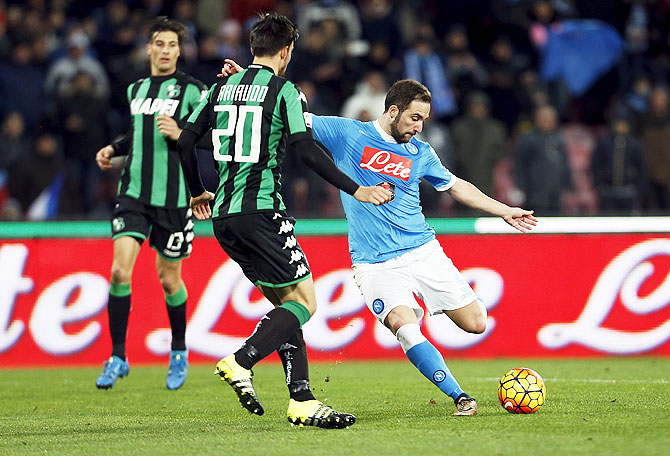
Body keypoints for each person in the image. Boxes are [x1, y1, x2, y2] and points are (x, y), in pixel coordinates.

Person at [221, 62, 538, 416]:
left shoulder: (421, 153)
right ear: (393, 110)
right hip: (374, 264)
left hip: (422, 251)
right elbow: (288, 113)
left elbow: (456, 186)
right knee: (405, 326)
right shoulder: (347, 133)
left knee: (476, 324)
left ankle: (448, 363)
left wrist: (502, 209)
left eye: (423, 120)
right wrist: (251, 83)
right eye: (414, 118)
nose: (419, 126)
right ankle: (460, 396)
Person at [176, 13, 390, 428]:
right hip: (262, 212)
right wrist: (357, 189)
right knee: (304, 303)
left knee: (284, 305)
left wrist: (197, 190)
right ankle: (242, 361)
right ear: (287, 50)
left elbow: (186, 140)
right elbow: (306, 152)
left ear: (252, 46)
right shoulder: (284, 91)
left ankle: (302, 400)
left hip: (223, 216)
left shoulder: (222, 86)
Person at [94, 17, 207, 391]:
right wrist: (114, 148)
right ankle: (118, 356)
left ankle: (178, 349)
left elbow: (211, 135)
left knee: (168, 277)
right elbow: (136, 133)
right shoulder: (136, 88)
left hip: (174, 201)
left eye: (172, 45)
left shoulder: (193, 90)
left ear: (179, 50)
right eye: (159, 43)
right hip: (133, 195)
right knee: (119, 272)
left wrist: (181, 134)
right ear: (149, 48)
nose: (165, 50)